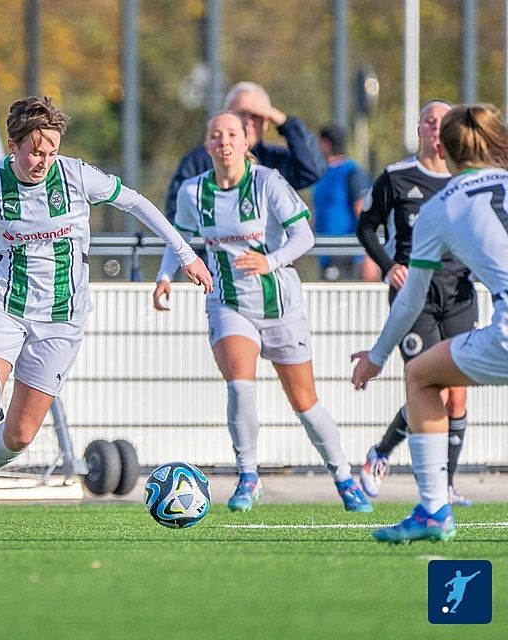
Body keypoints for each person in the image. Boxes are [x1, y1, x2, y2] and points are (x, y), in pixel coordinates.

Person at [0, 96, 212, 529]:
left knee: (21, 435)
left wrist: (185, 253)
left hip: (63, 316)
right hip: (3, 304)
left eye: (51, 152)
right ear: (14, 146)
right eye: (35, 151)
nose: (43, 161)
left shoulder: (77, 176)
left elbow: (135, 202)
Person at [154, 111, 371, 513]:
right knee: (240, 382)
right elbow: (180, 239)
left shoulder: (267, 182)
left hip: (280, 305)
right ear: (207, 146)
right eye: (216, 136)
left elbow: (303, 234)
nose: (224, 142)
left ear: (245, 142)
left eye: (232, 134)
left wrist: (269, 262)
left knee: (305, 402)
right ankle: (248, 476)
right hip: (228, 302)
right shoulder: (192, 192)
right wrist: (166, 276)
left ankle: (344, 477)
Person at [352, 103, 508, 543]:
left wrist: (376, 356)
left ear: (446, 147)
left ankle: (434, 510)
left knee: (420, 376)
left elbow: (409, 299)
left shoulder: (441, 208)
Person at [164, 81, 326, 221]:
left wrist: (285, 123)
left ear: (266, 122)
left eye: (256, 116)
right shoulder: (199, 161)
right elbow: (177, 214)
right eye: (241, 114)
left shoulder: (274, 163)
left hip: (267, 256)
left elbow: (312, 170)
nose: (248, 122)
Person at [311, 124, 378, 281]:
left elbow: (363, 213)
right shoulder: (321, 173)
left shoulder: (352, 171)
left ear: (326, 144)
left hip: (348, 253)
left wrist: (369, 255)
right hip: (325, 252)